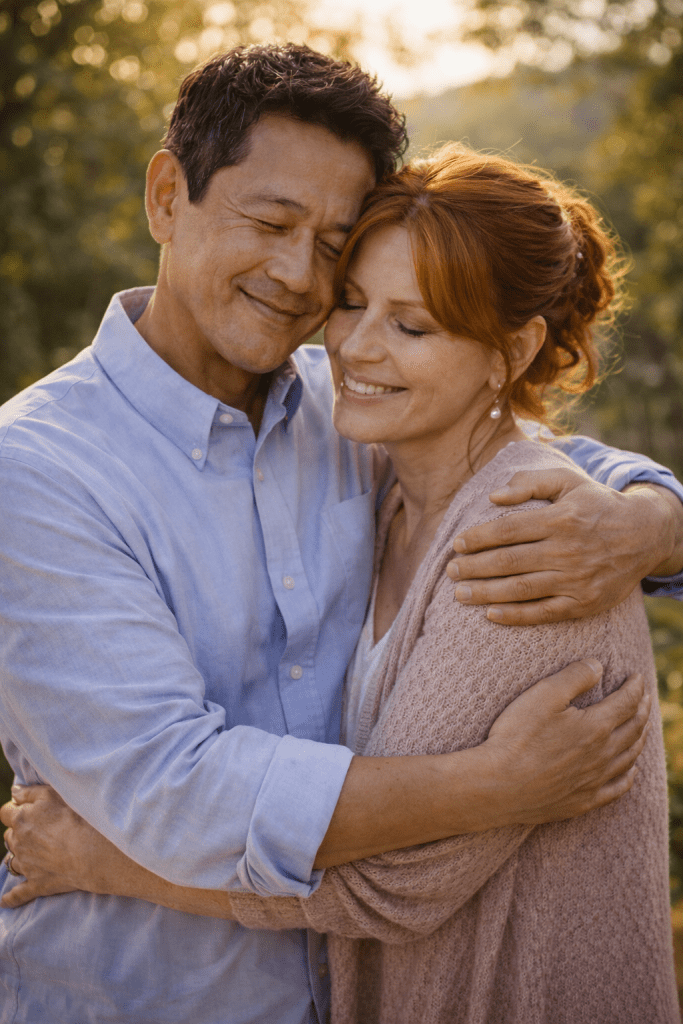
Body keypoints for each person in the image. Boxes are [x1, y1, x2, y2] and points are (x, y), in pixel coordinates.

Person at [0, 44, 681, 1024]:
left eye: (331, 244)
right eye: (270, 221)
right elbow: (183, 795)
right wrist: (493, 785)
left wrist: (647, 524)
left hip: (349, 989)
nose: (300, 277)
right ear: (164, 198)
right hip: (148, 996)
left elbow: (532, 457)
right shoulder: (41, 469)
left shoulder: (344, 406)